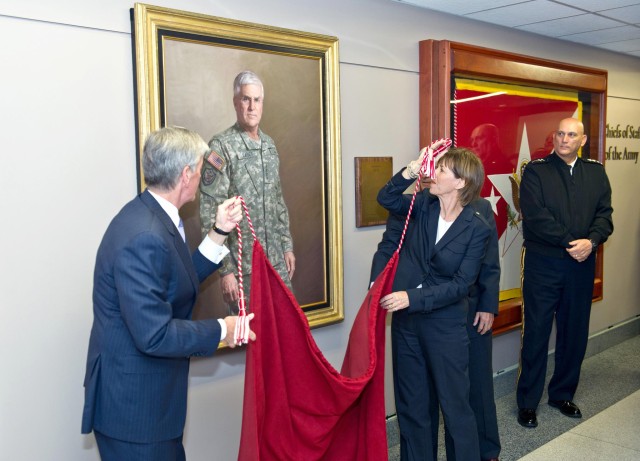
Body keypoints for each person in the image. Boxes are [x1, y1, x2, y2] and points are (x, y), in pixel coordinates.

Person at [81, 126, 256, 461]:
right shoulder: (144, 234)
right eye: (200, 167)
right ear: (186, 174)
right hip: (135, 416)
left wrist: (219, 232)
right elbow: (154, 334)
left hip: (148, 405)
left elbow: (177, 280)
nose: (203, 173)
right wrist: (224, 329)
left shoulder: (150, 214)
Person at [370, 175, 501, 461]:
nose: (436, 170)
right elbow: (389, 245)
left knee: (467, 392)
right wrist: (376, 284)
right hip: (411, 311)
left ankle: (486, 450)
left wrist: (488, 304)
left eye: (442, 165)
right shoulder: (414, 203)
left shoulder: (478, 210)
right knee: (416, 398)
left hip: (463, 307)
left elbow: (489, 263)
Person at [516, 117, 614, 428]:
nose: (564, 139)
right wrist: (573, 242)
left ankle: (562, 394)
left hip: (580, 267)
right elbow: (535, 216)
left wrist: (593, 241)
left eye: (571, 135)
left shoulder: (596, 173)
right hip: (544, 266)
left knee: (574, 334)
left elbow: (604, 215)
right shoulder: (536, 171)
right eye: (560, 133)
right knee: (536, 334)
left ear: (582, 141)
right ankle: (528, 403)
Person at [200, 70, 295, 313]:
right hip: (245, 270)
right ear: (235, 102)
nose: (252, 106)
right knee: (256, 340)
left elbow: (277, 200)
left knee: (287, 332)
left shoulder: (269, 145)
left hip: (276, 264)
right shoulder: (220, 147)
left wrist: (286, 246)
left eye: (257, 100)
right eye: (245, 99)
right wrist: (226, 271)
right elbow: (210, 212)